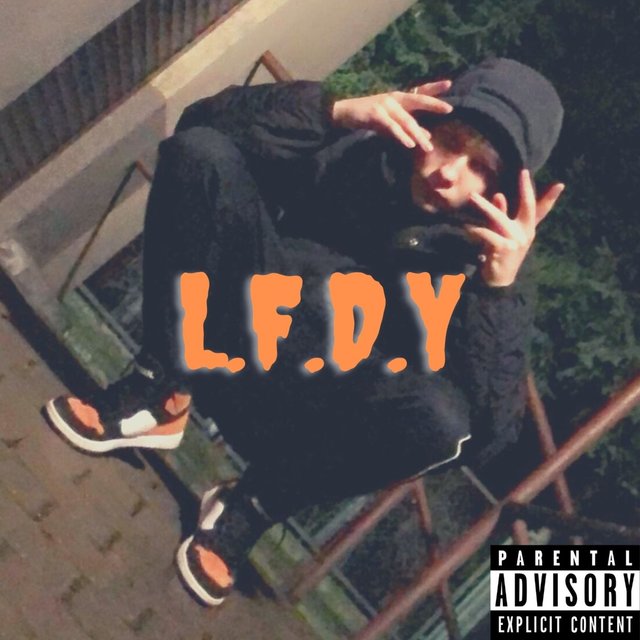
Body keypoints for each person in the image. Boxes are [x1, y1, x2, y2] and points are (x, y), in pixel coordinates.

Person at [45, 58, 564, 606]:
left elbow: (486, 438)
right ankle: (156, 393)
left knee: (445, 420)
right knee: (201, 154)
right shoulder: (361, 144)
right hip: (224, 338)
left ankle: (251, 509)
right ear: (427, 119)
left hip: (304, 416)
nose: (449, 173)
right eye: (450, 141)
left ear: (504, 189)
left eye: (480, 168)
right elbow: (201, 126)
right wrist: (331, 112)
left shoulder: (489, 266)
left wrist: (496, 292)